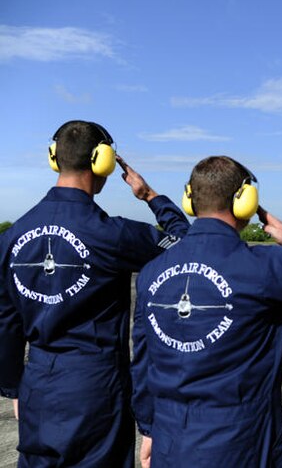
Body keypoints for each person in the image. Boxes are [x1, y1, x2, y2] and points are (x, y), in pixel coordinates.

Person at [130, 156, 282, 467]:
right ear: (245, 201)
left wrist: (148, 428)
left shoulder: (151, 272)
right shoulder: (265, 266)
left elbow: (143, 361)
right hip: (240, 442)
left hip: (170, 439)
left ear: (189, 198)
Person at [0, 120, 190, 467]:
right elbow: (185, 243)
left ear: (54, 158)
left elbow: (6, 321)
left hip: (37, 383)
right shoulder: (112, 234)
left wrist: (13, 385)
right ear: (101, 161)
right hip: (95, 387)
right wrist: (151, 196)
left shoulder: (12, 238)